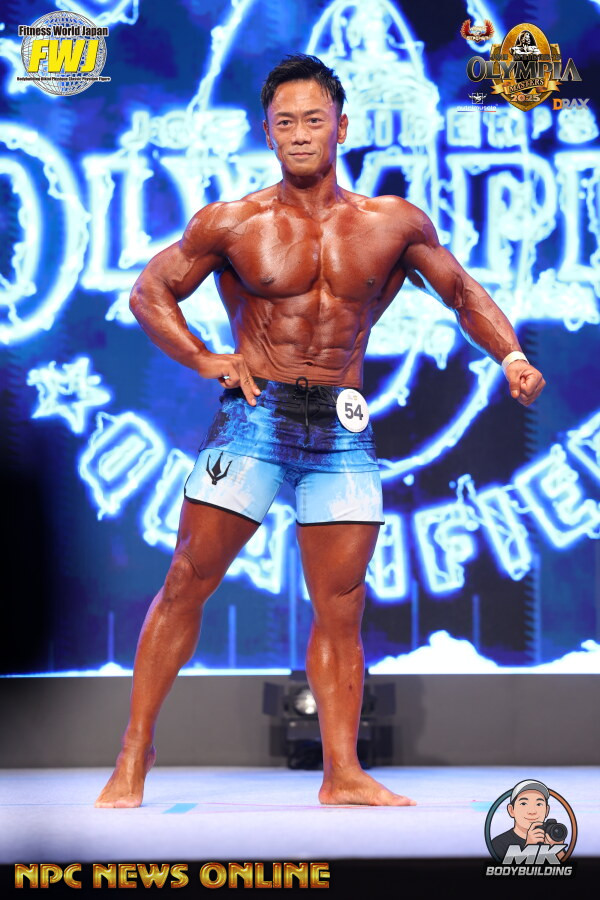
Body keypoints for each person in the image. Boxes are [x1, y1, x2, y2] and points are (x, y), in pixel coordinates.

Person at [95, 53, 546, 809]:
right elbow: (150, 292)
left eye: (314, 119)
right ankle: (134, 753)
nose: (301, 133)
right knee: (187, 579)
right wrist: (206, 358)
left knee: (342, 605)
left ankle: (342, 774)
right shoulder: (233, 222)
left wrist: (513, 356)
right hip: (253, 418)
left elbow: (463, 293)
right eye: (286, 122)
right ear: (266, 132)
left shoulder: (392, 223)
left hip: (341, 425)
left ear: (342, 127)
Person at [492, 781, 566, 861]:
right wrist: (529, 847)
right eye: (523, 804)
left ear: (547, 811)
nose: (532, 811)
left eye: (539, 804)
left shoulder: (551, 839)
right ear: (511, 810)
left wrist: (558, 849)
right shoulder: (498, 843)